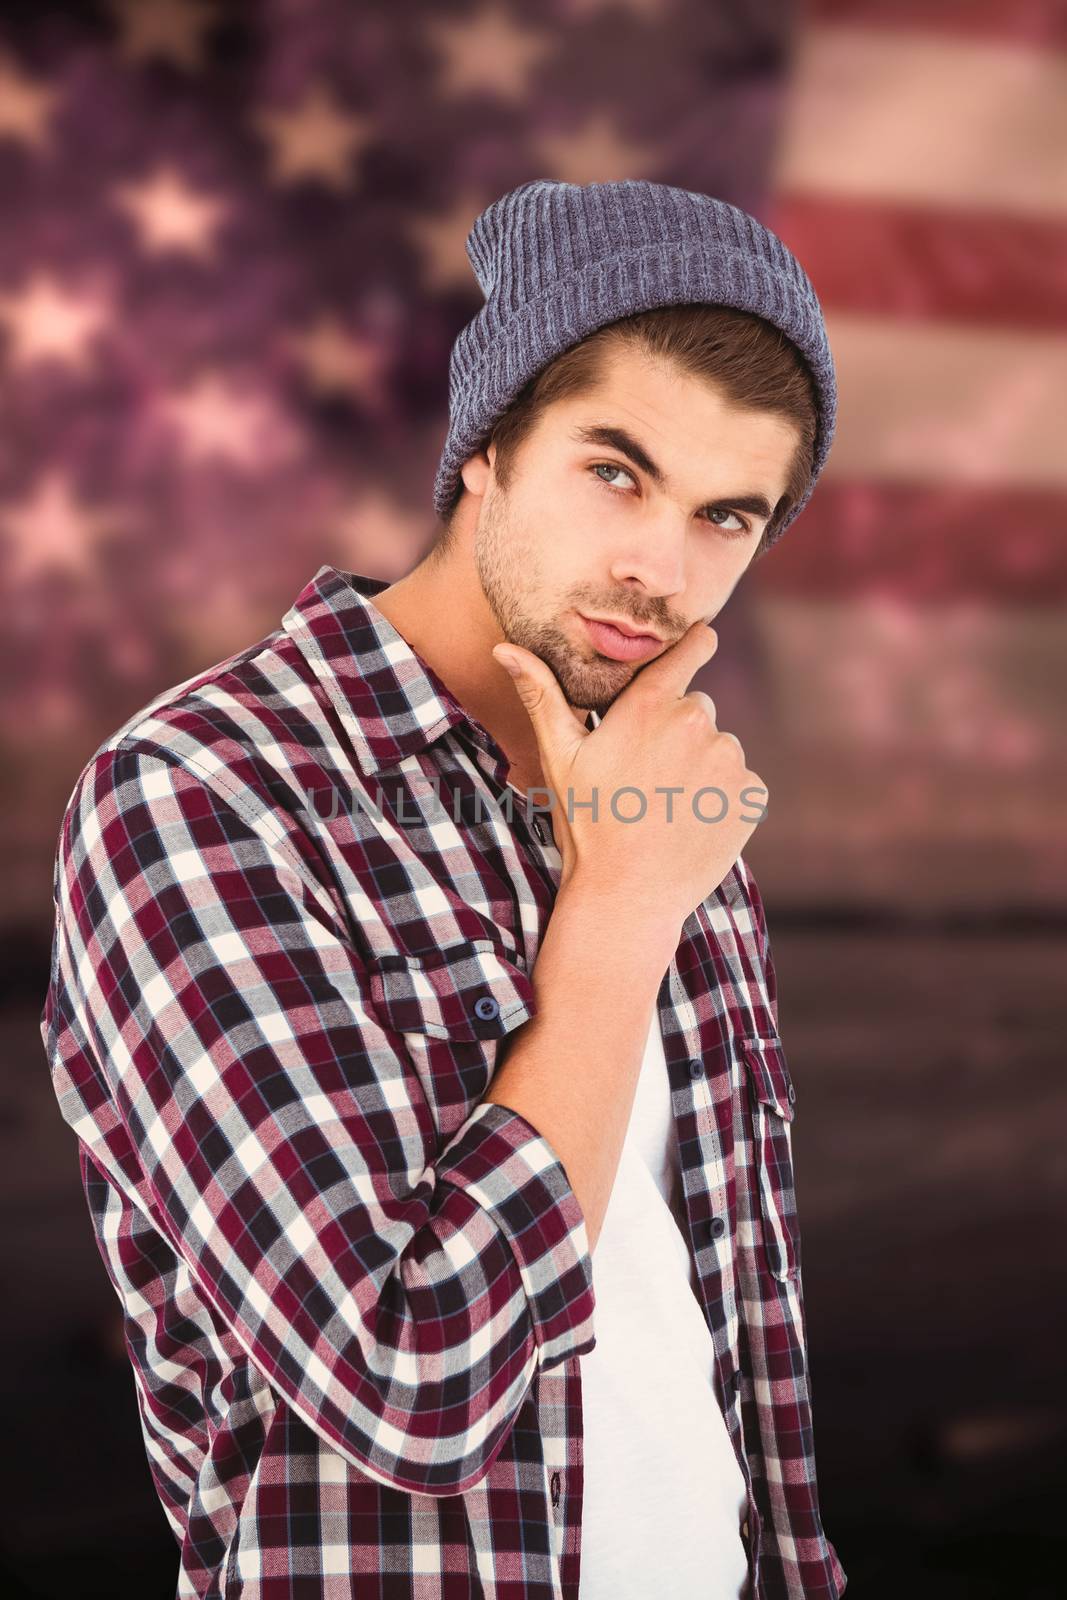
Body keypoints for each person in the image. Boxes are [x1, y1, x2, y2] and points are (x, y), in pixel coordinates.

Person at [39, 178, 847, 1599]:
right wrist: (611, 929)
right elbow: (409, 1382)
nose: (661, 566)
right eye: (617, 471)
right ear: (485, 450)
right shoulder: (205, 795)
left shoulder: (671, 816)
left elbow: (736, 1348)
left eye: (728, 517)